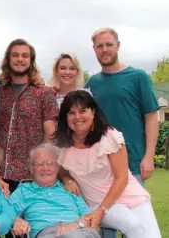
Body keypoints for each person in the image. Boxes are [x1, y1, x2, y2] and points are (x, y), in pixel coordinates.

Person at [55, 90, 161, 238]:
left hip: (130, 194)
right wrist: (68, 179)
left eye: (83, 111)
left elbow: (122, 178)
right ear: (65, 117)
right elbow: (59, 170)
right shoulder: (62, 145)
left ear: (93, 112)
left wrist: (102, 210)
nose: (77, 117)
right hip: (96, 202)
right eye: (71, 113)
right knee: (133, 224)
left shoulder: (109, 136)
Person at [86, 28, 160, 184]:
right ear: (94, 49)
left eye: (109, 44)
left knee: (135, 207)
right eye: (100, 46)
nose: (104, 50)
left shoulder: (138, 77)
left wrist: (149, 156)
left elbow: (151, 118)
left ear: (118, 45)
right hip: (101, 165)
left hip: (133, 164)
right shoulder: (92, 83)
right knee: (103, 209)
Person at [0, 39, 59, 191]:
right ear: (8, 59)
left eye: (25, 56)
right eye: (15, 55)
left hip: (29, 178)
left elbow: (50, 135)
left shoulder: (44, 93)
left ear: (31, 61)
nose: (19, 59)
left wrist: (43, 168)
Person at [8, 143, 100, 238]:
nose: (45, 168)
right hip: (48, 233)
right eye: (39, 164)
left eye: (50, 163)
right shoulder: (23, 190)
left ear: (57, 168)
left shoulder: (69, 188)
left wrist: (74, 225)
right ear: (31, 169)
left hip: (80, 231)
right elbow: (6, 212)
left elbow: (89, 218)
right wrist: (17, 220)